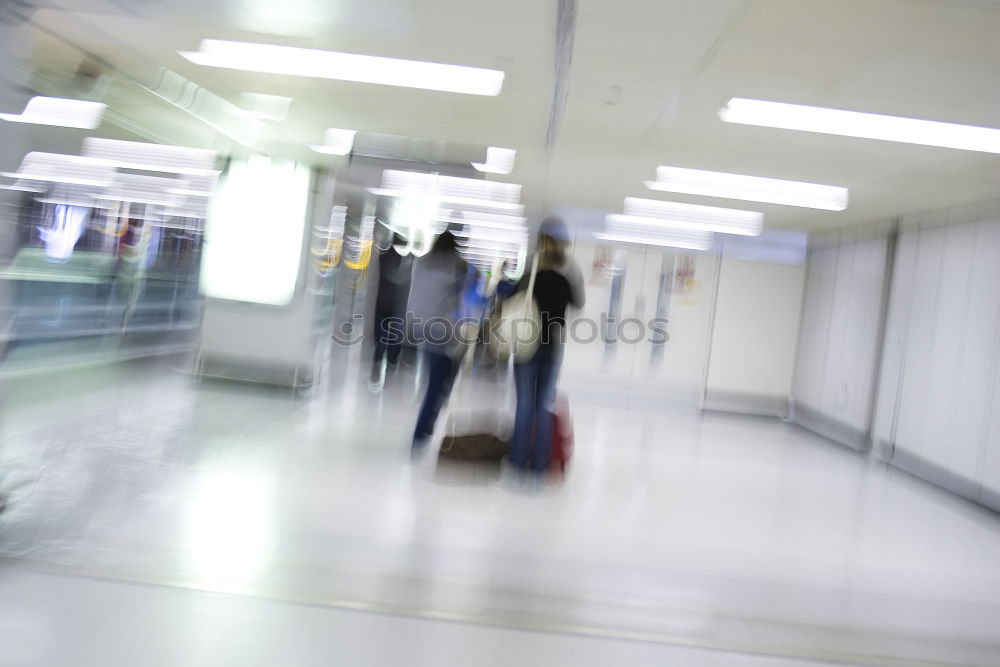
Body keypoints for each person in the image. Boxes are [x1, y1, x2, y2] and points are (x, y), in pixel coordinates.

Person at [507, 217, 585, 474]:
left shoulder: (530, 276)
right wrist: (571, 272)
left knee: (524, 405)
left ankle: (518, 463)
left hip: (526, 346)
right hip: (552, 347)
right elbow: (578, 302)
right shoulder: (564, 279)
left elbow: (510, 300)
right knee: (543, 406)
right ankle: (540, 466)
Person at [407, 229, 467, 452]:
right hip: (441, 330)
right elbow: (461, 302)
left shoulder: (421, 262)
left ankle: (428, 425)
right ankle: (421, 432)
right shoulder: (457, 266)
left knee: (435, 379)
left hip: (419, 324)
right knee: (438, 383)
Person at [369, 232, 413, 388]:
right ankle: (390, 364)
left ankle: (379, 362)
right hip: (397, 305)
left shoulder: (384, 256)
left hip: (383, 303)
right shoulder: (409, 259)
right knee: (394, 337)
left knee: (381, 336)